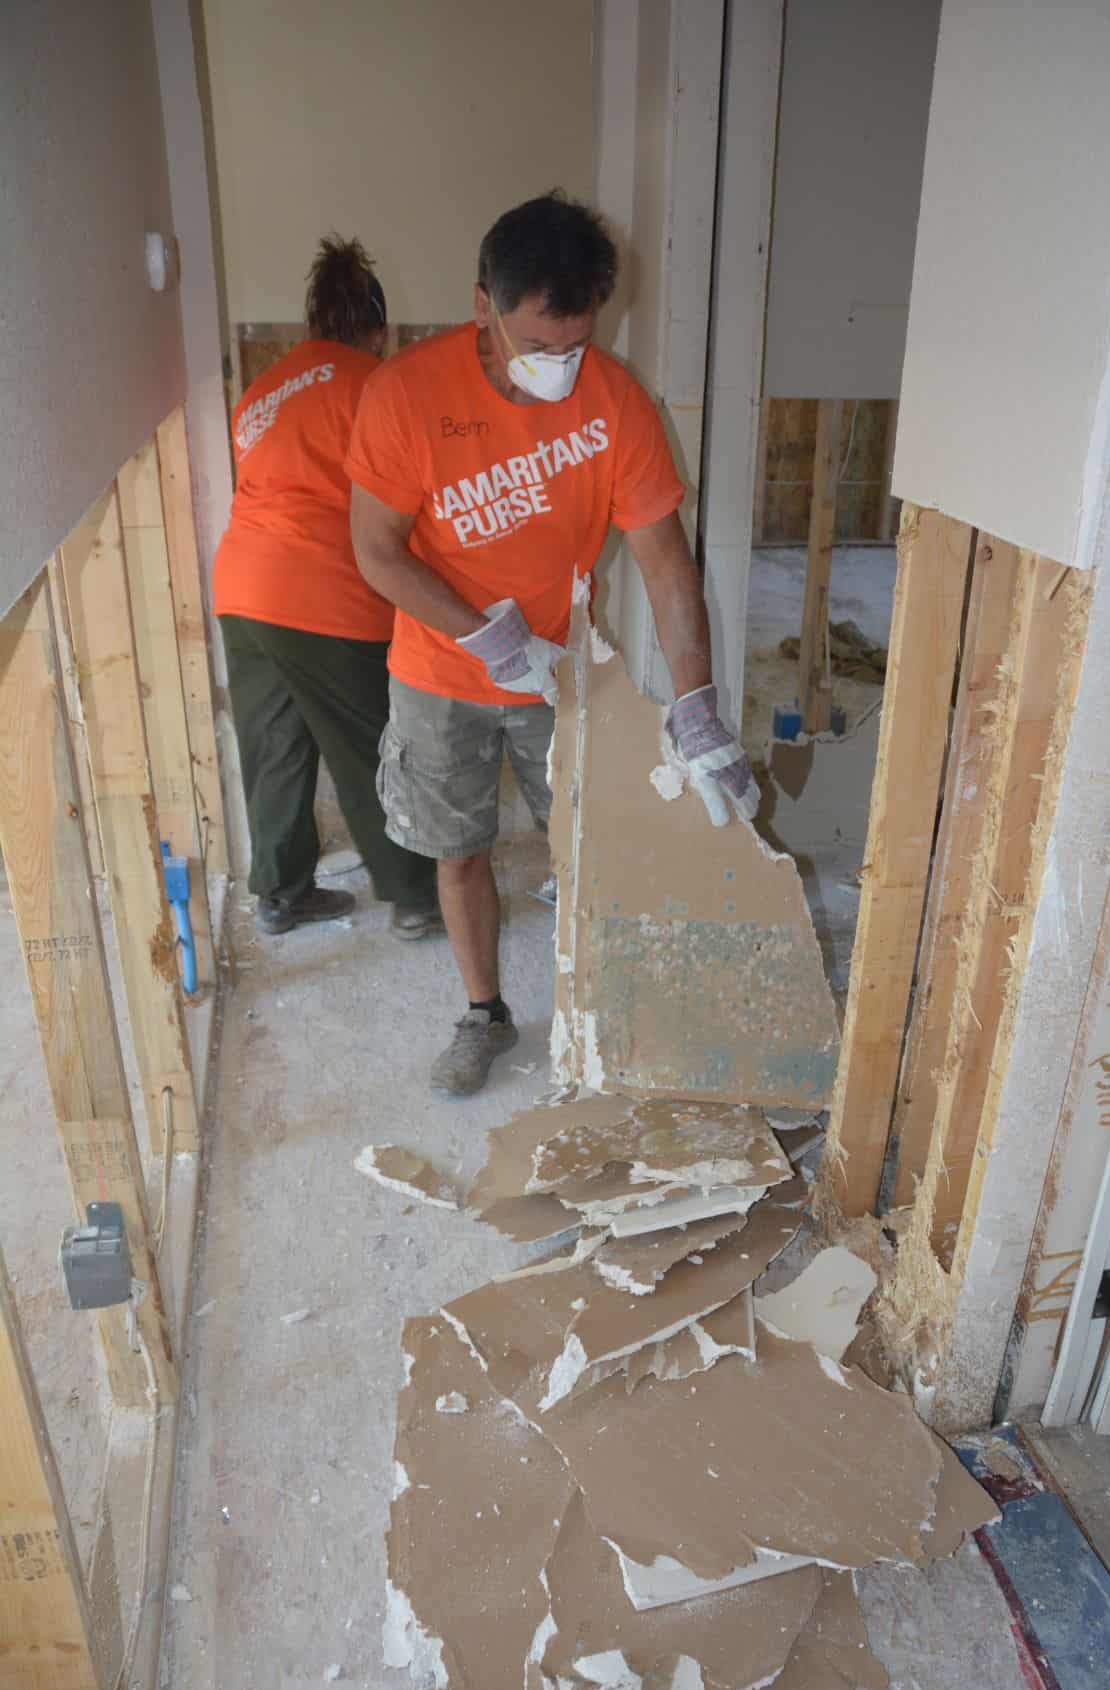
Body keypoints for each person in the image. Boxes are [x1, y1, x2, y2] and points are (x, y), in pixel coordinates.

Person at [346, 193, 757, 1095]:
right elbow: (375, 552)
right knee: (459, 851)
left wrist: (698, 706)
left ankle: (604, 1011)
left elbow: (665, 563)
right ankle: (484, 1012)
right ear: (482, 306)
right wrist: (485, 635)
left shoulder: (614, 403)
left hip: (563, 667)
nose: (561, 366)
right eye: (538, 347)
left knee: (592, 848)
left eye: (576, 344)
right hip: (438, 671)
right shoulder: (405, 396)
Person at [213, 235, 439, 939]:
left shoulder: (261, 390)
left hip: (241, 590)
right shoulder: (373, 384)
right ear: (376, 330)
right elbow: (405, 502)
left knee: (274, 744)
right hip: (321, 594)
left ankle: (280, 892)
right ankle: (413, 896)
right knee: (369, 745)